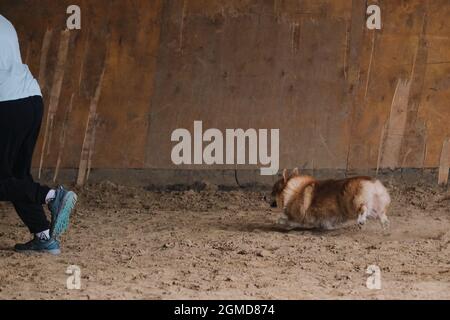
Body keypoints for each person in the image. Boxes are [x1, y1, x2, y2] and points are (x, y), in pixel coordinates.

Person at [0, 14, 77, 255]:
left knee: (4, 180)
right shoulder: (4, 21)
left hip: (6, 103)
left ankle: (52, 196)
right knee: (16, 176)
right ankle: (43, 236)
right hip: (30, 99)